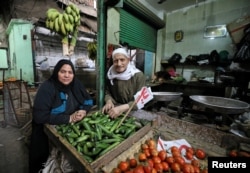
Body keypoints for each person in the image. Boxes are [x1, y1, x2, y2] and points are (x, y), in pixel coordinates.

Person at [29, 59, 93, 173]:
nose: (67, 75)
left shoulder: (75, 84)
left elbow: (88, 100)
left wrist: (83, 111)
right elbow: (40, 116)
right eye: (63, 72)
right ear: (56, 72)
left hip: (70, 126)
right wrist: (68, 118)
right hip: (47, 129)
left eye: (70, 72)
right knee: (43, 162)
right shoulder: (47, 88)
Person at [102, 47, 146, 118]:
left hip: (133, 111)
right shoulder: (110, 75)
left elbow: (141, 99)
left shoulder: (138, 76)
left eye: (122, 60)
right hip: (115, 109)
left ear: (128, 60)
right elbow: (107, 92)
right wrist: (109, 101)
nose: (119, 64)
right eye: (116, 61)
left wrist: (122, 108)